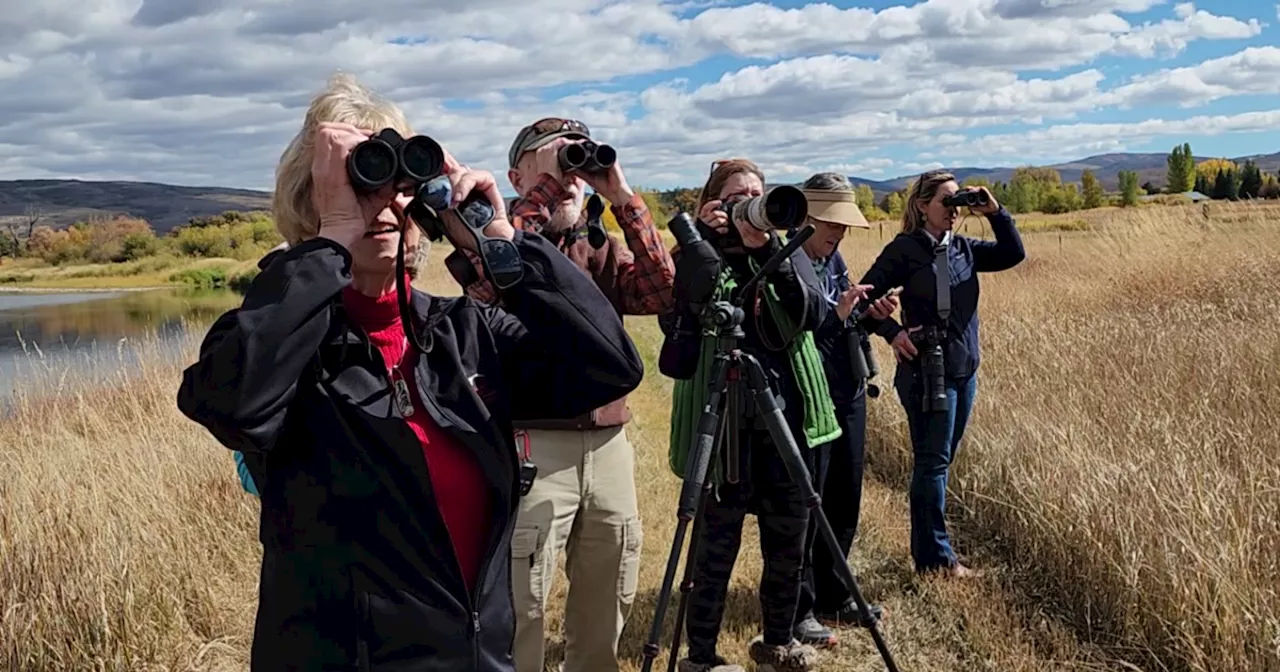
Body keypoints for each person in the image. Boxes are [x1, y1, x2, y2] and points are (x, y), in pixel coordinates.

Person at [175, 73, 645, 672]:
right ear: (309, 197)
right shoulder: (286, 339)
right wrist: (335, 239)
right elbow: (232, 403)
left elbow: (608, 365)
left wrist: (496, 235)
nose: (383, 202)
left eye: (400, 184)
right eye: (358, 179)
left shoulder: (463, 334)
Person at [448, 117, 675, 672]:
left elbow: (662, 291)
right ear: (514, 174)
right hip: (531, 443)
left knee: (610, 591)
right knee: (522, 602)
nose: (572, 175)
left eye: (577, 161)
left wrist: (619, 193)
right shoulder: (491, 237)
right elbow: (489, 281)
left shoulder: (599, 245)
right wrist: (544, 190)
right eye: (554, 160)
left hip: (607, 443)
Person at [659, 159, 833, 672]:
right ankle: (702, 654)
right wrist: (702, 248)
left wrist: (767, 251)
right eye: (737, 196)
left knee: (789, 531)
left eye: (757, 193)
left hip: (785, 410)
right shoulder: (696, 251)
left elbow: (814, 317)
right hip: (724, 415)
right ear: (714, 203)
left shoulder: (786, 246)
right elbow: (676, 331)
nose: (751, 203)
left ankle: (778, 640)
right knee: (716, 538)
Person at [856, 169, 1025, 576]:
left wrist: (994, 212)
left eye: (957, 202)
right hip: (926, 373)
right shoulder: (904, 251)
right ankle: (935, 561)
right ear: (921, 206)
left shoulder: (964, 248)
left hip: (965, 370)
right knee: (932, 463)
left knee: (941, 462)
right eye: (945, 202)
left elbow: (1013, 254)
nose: (953, 211)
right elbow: (862, 300)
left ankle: (931, 553)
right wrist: (893, 333)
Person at [789, 173, 897, 645]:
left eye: (843, 225)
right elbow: (791, 337)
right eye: (830, 223)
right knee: (807, 504)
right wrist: (838, 316)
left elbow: (841, 320)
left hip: (848, 391)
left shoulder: (831, 260)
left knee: (843, 497)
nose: (838, 233)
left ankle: (834, 593)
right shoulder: (788, 264)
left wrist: (867, 315)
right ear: (805, 218)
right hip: (809, 396)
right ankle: (799, 606)